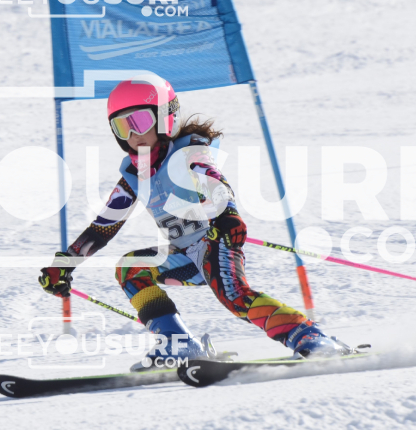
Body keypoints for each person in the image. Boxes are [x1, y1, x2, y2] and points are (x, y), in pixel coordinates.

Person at [39, 76, 350, 367]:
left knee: (234, 296)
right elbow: (102, 227)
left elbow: (213, 180)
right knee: (130, 268)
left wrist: (228, 214)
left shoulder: (188, 153)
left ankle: (311, 337)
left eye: (140, 121)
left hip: (215, 240)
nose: (133, 135)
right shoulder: (134, 176)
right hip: (183, 256)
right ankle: (179, 345)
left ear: (165, 117)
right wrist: (65, 264)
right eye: (122, 127)